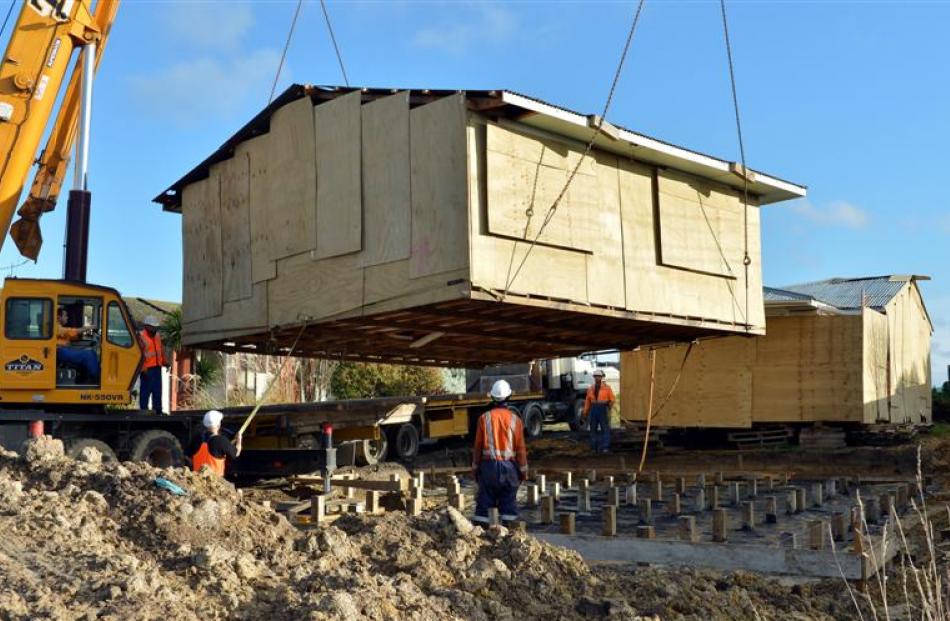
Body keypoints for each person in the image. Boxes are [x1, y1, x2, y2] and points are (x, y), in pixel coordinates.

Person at [472, 379, 528, 526]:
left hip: (488, 468)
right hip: (509, 469)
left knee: (484, 508)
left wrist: (475, 468)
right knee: (509, 507)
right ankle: (509, 540)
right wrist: (523, 471)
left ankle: (479, 541)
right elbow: (521, 450)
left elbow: (477, 447)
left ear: (492, 397)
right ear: (509, 397)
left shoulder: (484, 418)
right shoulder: (516, 420)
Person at [191, 410, 242, 476]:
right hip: (214, 483)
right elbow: (236, 453)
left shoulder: (197, 438)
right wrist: (239, 440)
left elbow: (189, 457)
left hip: (197, 482)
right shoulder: (221, 440)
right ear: (218, 424)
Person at [56, 308, 99, 382]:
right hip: (61, 352)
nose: (67, 317)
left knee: (92, 353)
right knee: (89, 355)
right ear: (59, 317)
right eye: (65, 315)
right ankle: (95, 378)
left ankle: (88, 378)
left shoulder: (60, 328)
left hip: (65, 351)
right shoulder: (56, 327)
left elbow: (71, 335)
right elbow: (72, 331)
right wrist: (89, 327)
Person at [138, 315, 167, 413]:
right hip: (147, 369)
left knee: (157, 391)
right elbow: (139, 355)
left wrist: (164, 362)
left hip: (157, 368)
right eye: (152, 327)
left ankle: (158, 411)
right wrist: (143, 368)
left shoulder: (157, 336)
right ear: (146, 326)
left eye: (155, 327)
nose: (154, 329)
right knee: (145, 391)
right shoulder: (141, 336)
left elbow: (160, 350)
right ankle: (144, 411)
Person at [583, 369, 616, 454]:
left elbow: (612, 399)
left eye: (599, 376)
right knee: (593, 429)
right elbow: (587, 401)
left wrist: (609, 405)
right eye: (596, 376)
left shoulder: (607, 388)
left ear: (602, 377)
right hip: (593, 409)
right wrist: (585, 413)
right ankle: (594, 448)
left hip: (603, 409)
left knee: (605, 429)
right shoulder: (590, 389)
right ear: (594, 377)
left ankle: (605, 448)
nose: (597, 378)